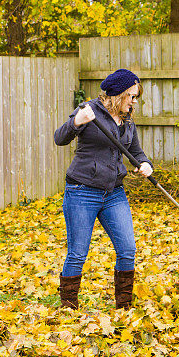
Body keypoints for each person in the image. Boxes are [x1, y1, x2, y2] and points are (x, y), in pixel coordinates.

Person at [54, 68, 153, 310]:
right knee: (77, 253)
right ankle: (68, 307)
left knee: (127, 249)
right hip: (82, 191)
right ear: (118, 95)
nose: (134, 101)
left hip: (114, 193)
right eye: (131, 96)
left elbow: (136, 152)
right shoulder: (89, 111)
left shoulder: (127, 119)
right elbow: (60, 138)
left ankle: (124, 307)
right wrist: (78, 121)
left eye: (136, 97)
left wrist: (146, 164)